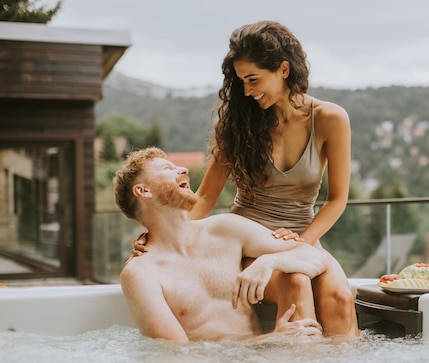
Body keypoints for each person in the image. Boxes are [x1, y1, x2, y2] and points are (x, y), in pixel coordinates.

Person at [133, 21, 357, 336]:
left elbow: (337, 200)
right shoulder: (236, 123)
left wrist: (300, 243)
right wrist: (160, 234)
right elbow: (207, 197)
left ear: (283, 69)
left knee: (340, 298)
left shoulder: (330, 119)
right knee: (296, 283)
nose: (248, 91)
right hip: (244, 238)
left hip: (300, 235)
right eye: (242, 83)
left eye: (253, 80)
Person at [114, 147, 351, 343]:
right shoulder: (140, 272)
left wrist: (271, 261)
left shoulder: (225, 229)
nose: (183, 169)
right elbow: (175, 354)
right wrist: (270, 340)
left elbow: (315, 257)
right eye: (168, 168)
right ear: (143, 191)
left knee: (295, 277)